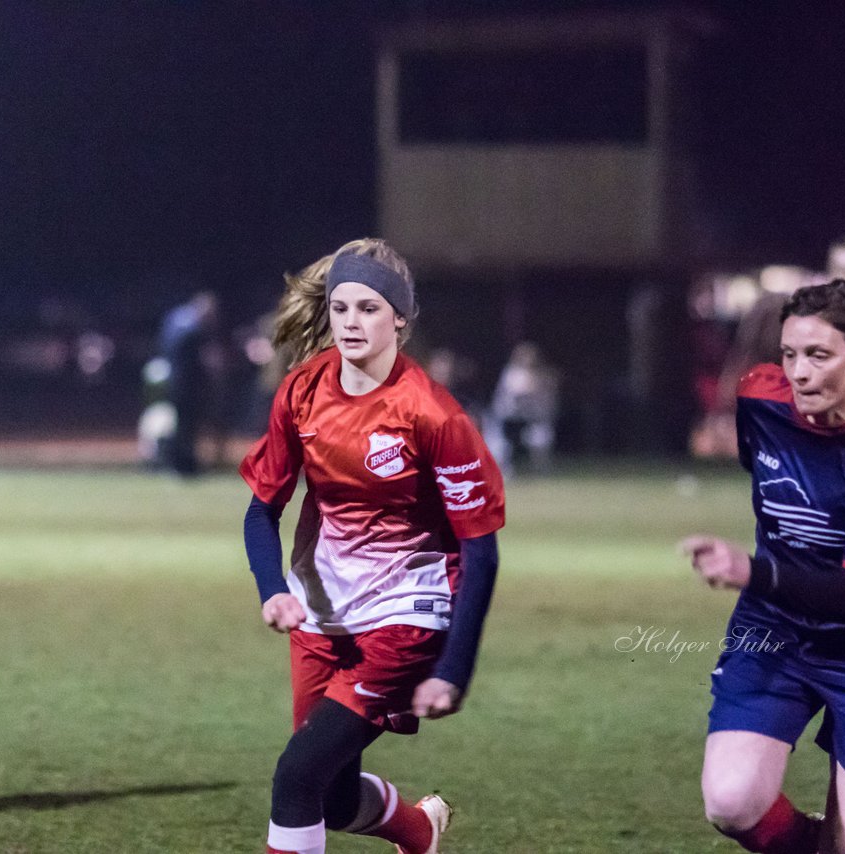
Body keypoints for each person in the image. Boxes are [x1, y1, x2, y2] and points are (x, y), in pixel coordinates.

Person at [240, 238, 505, 854]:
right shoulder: (302, 392)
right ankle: (418, 829)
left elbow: (482, 552)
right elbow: (261, 511)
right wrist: (273, 590)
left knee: (296, 775)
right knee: (327, 794)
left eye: (369, 308)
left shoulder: (434, 415)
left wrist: (453, 669)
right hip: (320, 615)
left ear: (401, 320)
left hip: (405, 618)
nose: (351, 323)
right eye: (340, 308)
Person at [681, 279, 845, 854]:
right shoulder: (760, 400)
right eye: (790, 354)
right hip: (776, 630)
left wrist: (754, 571)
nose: (798, 373)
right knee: (731, 801)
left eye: (819, 356)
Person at [157, 290, 219, 475]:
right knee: (185, 426)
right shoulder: (192, 328)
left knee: (182, 424)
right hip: (185, 383)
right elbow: (199, 359)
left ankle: (180, 463)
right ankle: (183, 464)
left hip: (175, 380)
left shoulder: (176, 318)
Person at [487, 341, 559, 475]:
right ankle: (504, 471)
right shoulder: (511, 373)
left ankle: (540, 470)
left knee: (541, 437)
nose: (529, 360)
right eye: (525, 356)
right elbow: (521, 391)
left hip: (531, 418)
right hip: (507, 418)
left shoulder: (542, 373)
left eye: (532, 356)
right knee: (500, 444)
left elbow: (548, 399)